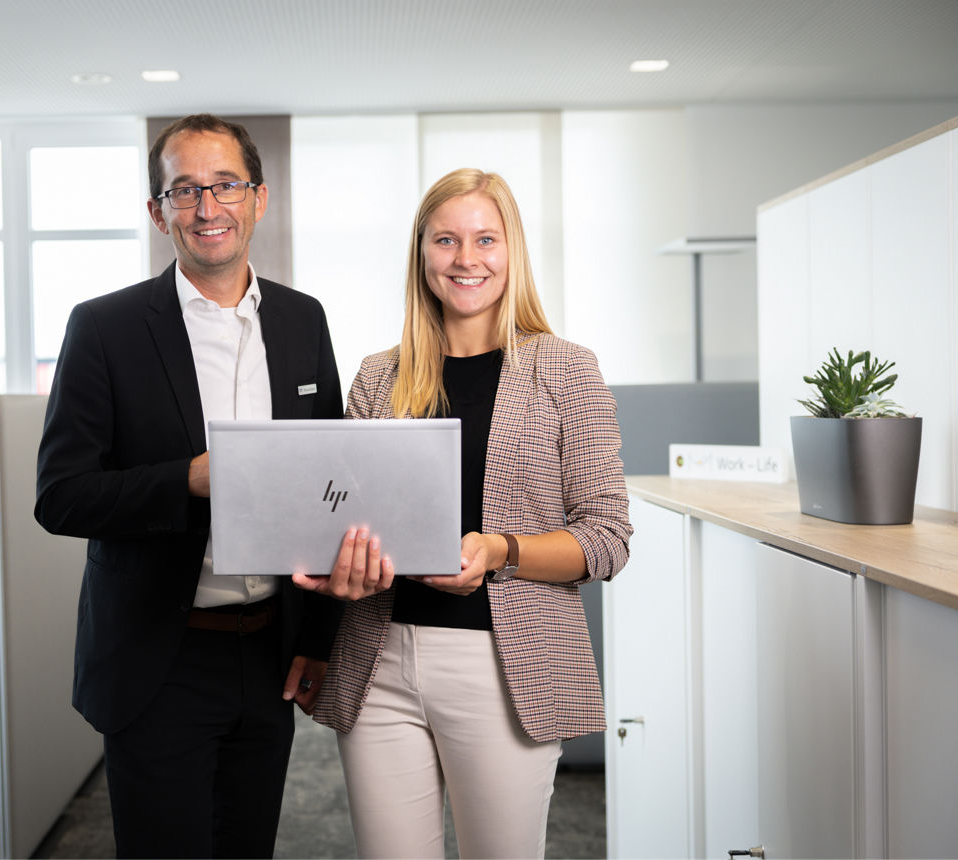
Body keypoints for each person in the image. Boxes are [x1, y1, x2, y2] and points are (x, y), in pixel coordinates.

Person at [296, 168, 633, 858]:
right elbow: (343, 518)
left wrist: (500, 550)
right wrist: (338, 569)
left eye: (485, 238)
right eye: (445, 240)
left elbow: (607, 537)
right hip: (378, 660)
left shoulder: (566, 371)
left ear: (513, 252)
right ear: (422, 254)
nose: (466, 258)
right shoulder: (378, 376)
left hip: (504, 668)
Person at [35, 114, 343, 859]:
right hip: (158, 656)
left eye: (226, 185)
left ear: (259, 198)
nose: (208, 208)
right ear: (157, 211)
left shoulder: (304, 322)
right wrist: (189, 480)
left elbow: (332, 487)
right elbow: (61, 495)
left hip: (268, 651)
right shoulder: (104, 328)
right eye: (185, 190)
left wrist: (319, 641)